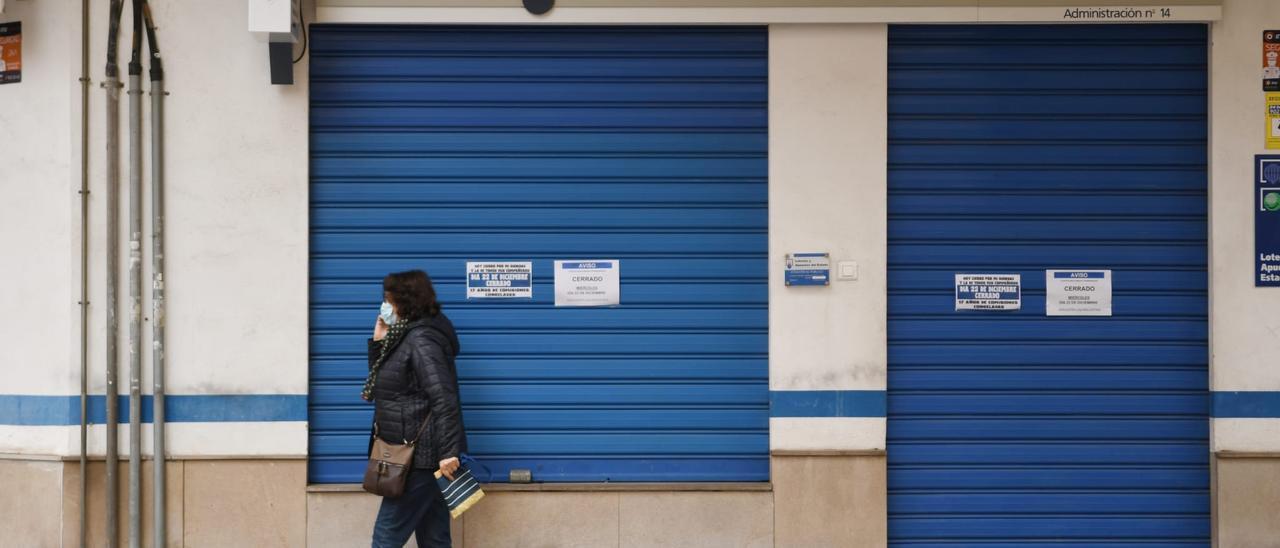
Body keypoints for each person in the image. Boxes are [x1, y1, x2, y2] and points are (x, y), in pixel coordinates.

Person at [365, 269, 467, 548]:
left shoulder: (421, 339)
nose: (384, 304)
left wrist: (448, 453)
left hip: (418, 456)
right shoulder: (404, 335)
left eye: (389, 298)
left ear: (405, 300)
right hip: (416, 453)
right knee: (434, 537)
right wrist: (378, 341)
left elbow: (444, 397)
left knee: (386, 537)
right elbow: (386, 385)